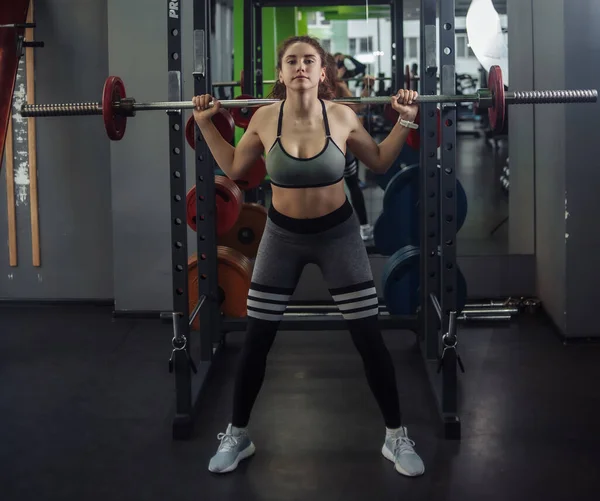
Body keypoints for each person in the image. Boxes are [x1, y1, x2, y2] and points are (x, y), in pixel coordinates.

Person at [192, 35, 424, 478]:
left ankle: (396, 436)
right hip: (282, 236)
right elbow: (237, 171)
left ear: (323, 73)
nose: (300, 66)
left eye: (309, 60)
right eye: (292, 60)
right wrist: (205, 124)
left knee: (369, 339)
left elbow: (377, 161)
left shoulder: (341, 116)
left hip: (338, 235)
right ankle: (238, 434)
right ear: (281, 74)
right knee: (257, 339)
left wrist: (406, 120)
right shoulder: (263, 118)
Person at [329, 59, 376, 240]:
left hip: (340, 142)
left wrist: (368, 87)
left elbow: (358, 106)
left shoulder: (338, 85)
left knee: (351, 184)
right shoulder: (335, 85)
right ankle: (357, 228)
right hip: (331, 144)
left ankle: (363, 227)